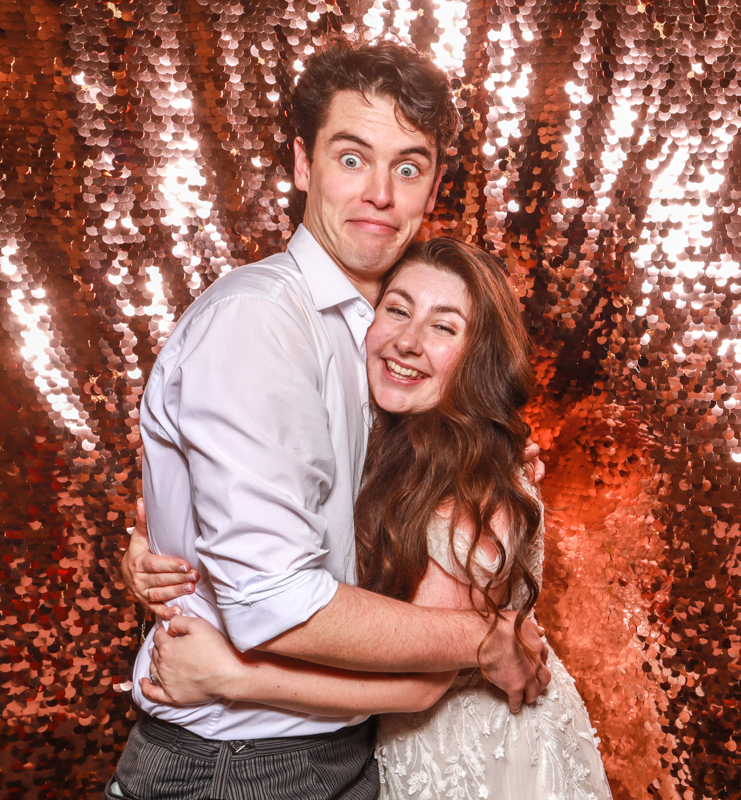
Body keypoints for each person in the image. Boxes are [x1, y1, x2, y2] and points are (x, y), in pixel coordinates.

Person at [111, 40, 549, 800]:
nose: (380, 192)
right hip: (241, 768)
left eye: (407, 168)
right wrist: (486, 639)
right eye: (352, 158)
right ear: (301, 165)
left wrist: (496, 463)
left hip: (347, 747)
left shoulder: (382, 337)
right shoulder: (260, 323)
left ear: (431, 188)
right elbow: (275, 605)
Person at [132, 239, 613, 800]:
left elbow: (422, 687)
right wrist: (145, 548)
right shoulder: (388, 442)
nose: (408, 342)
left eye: (444, 327)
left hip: (475, 760)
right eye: (398, 309)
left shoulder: (471, 484)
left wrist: (228, 678)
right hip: (391, 749)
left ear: (478, 357)